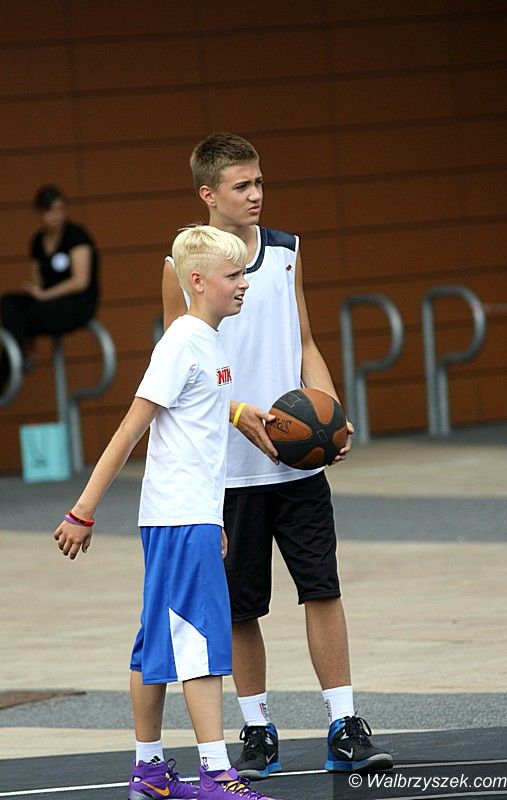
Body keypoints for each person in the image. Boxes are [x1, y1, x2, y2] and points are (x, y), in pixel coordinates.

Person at [162, 134, 394, 779]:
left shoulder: (287, 251)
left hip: (297, 462)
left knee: (323, 588)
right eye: (242, 185)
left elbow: (306, 342)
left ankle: (344, 723)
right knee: (241, 608)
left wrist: (331, 411)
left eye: (260, 181)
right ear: (208, 194)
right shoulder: (182, 265)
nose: (256, 193)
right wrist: (236, 412)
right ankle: (258, 728)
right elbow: (180, 361)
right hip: (229, 470)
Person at [53, 225, 285, 800]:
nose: (243, 284)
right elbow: (131, 429)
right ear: (197, 282)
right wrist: (83, 511)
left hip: (188, 517)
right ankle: (216, 772)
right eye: (233, 275)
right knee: (201, 642)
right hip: (179, 519)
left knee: (155, 644)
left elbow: (198, 433)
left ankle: (150, 771)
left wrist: (216, 517)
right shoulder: (182, 342)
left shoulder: (209, 342)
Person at [0, 185, 99, 392]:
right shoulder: (38, 241)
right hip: (49, 301)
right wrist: (38, 293)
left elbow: (80, 281)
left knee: (26, 315)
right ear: (40, 213)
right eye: (49, 211)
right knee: (9, 303)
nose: (55, 216)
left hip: (76, 303)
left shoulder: (76, 236)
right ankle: (20, 354)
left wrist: (45, 295)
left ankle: (10, 364)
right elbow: (38, 282)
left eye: (59, 209)